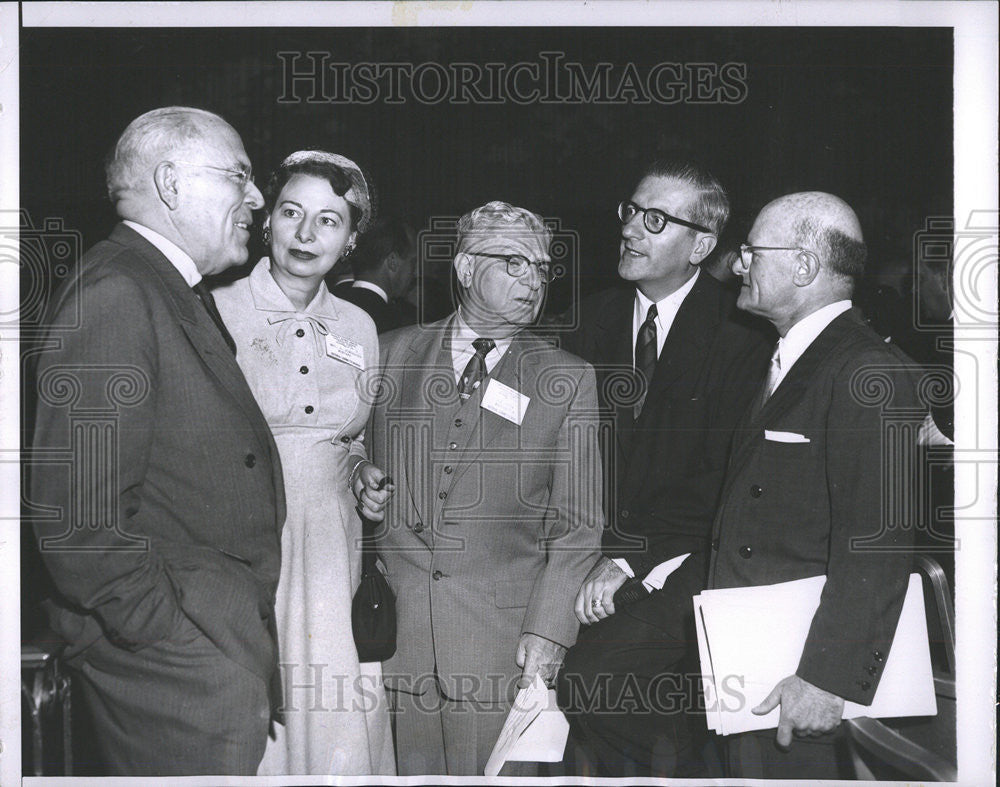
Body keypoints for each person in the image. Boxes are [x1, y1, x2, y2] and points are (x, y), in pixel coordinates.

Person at [29, 107, 284, 775]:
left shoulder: (162, 287)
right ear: (171, 183)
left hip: (208, 656)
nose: (257, 198)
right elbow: (78, 525)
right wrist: (181, 652)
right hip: (175, 678)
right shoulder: (115, 294)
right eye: (240, 176)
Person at [367, 201, 604, 775]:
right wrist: (357, 473)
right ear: (466, 267)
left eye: (543, 269)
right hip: (396, 646)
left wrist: (549, 631)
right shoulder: (390, 353)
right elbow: (343, 448)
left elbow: (579, 522)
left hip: (502, 648)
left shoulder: (566, 378)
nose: (533, 282)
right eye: (514, 264)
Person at [555, 158, 772, 777]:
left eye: (655, 221)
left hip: (689, 553)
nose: (629, 231)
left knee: (596, 683)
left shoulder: (745, 335)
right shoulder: (585, 322)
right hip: (590, 548)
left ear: (701, 245)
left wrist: (627, 557)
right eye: (630, 212)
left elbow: (723, 478)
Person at [710, 191, 923, 779]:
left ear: (804, 266)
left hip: (802, 673)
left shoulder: (866, 370)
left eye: (752, 251)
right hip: (754, 652)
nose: (738, 264)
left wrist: (826, 678)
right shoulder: (791, 358)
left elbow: (875, 543)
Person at [213, 150, 396, 776]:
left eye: (329, 221)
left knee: (334, 699)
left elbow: (353, 440)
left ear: (350, 242)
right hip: (246, 535)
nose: (306, 234)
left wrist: (362, 474)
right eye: (292, 213)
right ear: (267, 222)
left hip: (332, 547)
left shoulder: (360, 326)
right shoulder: (216, 307)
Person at [338, 215, 419, 332]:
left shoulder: (331, 302)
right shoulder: (397, 323)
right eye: (413, 263)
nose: (415, 273)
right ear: (393, 261)